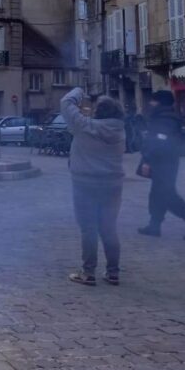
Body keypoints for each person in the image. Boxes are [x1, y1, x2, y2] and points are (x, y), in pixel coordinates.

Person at [60, 88, 126, 286]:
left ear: (98, 112)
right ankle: (113, 272)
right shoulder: (120, 130)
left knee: (88, 228)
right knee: (109, 228)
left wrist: (80, 90)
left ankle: (88, 273)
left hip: (85, 183)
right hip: (113, 184)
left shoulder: (84, 126)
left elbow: (66, 103)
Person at [137, 90, 185, 241]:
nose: (150, 103)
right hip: (169, 161)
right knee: (157, 194)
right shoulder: (169, 116)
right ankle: (154, 226)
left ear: (159, 102)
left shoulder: (163, 119)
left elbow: (158, 142)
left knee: (167, 195)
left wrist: (147, 160)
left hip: (162, 162)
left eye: (153, 101)